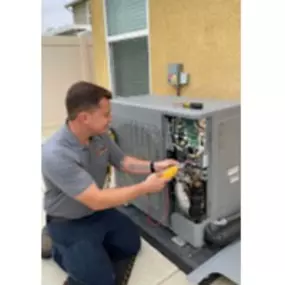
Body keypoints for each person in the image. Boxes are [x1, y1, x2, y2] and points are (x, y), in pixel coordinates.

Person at [42, 81, 178, 285]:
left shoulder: (99, 136)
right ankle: (57, 247)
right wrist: (144, 187)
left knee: (131, 244)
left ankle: (87, 249)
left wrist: (154, 166)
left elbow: (123, 162)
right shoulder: (56, 154)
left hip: (94, 213)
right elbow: (96, 199)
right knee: (100, 281)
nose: (110, 118)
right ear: (84, 118)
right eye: (105, 114)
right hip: (67, 220)